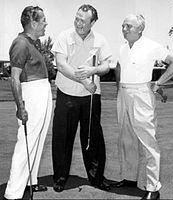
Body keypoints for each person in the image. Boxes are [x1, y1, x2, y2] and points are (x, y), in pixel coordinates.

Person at [112, 14, 173, 200]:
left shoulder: (152, 45)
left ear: (140, 29)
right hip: (124, 93)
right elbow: (119, 67)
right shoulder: (123, 47)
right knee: (126, 139)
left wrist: (158, 84)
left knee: (148, 141)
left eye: (129, 26)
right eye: (123, 25)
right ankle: (128, 178)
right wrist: (119, 88)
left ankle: (153, 187)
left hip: (142, 93)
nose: (124, 29)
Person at [51, 4, 112, 192]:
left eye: (83, 21)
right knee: (63, 138)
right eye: (76, 18)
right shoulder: (64, 36)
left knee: (93, 138)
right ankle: (60, 178)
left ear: (93, 22)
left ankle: (96, 178)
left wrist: (94, 70)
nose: (78, 23)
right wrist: (85, 81)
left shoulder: (100, 40)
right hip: (67, 94)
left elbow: (106, 66)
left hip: (91, 97)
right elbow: (61, 65)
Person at [4, 6, 52, 200]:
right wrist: (21, 107)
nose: (45, 23)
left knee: (38, 139)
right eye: (43, 20)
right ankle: (13, 192)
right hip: (31, 95)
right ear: (33, 23)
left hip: (41, 92)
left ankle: (30, 182)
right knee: (26, 142)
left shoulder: (34, 42)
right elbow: (14, 78)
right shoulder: (20, 43)